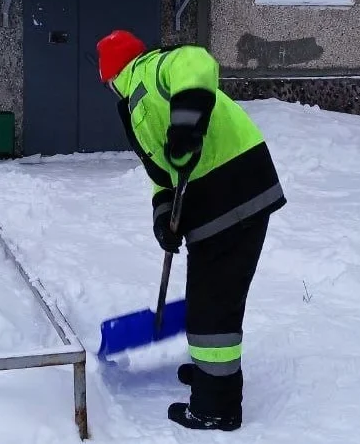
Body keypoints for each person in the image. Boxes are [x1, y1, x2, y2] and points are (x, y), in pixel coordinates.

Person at [95, 29, 287, 432]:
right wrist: (163, 216)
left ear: (110, 75)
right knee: (206, 293)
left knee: (215, 300)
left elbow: (198, 63)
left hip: (235, 191)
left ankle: (216, 407)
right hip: (216, 201)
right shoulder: (136, 106)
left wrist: (186, 125)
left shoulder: (151, 70)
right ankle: (208, 373)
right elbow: (162, 173)